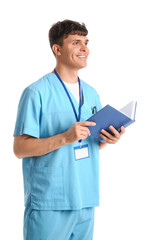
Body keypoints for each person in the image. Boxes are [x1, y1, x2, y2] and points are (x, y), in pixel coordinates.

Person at [13, 19, 125, 240]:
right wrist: (65, 137)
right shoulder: (36, 92)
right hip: (50, 202)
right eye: (76, 42)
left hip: (85, 199)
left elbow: (85, 143)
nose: (85, 48)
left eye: (85, 42)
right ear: (57, 50)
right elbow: (20, 148)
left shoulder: (92, 94)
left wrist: (106, 139)